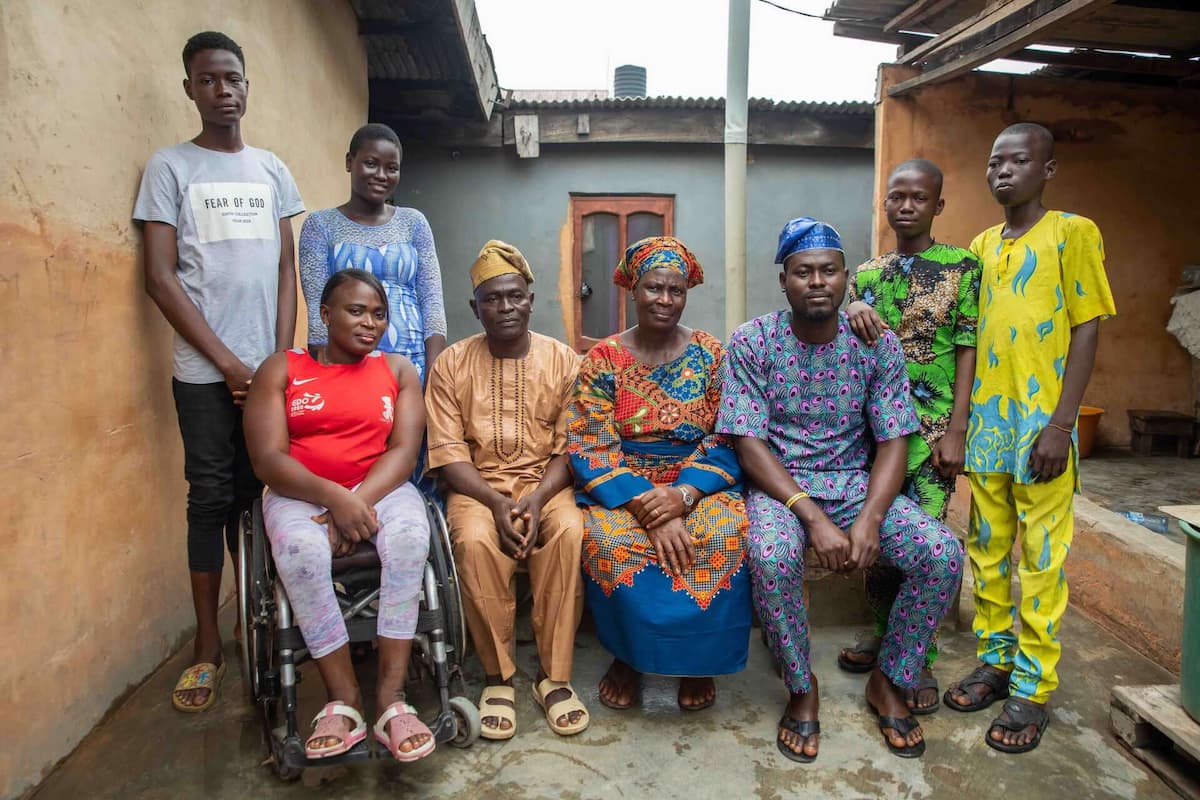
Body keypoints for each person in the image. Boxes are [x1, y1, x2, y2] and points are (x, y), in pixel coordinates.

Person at [717, 218, 963, 762]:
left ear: (847, 278)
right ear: (784, 281)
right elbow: (748, 442)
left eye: (829, 270)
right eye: (803, 272)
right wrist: (812, 518)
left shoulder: (875, 343)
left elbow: (896, 436)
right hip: (782, 490)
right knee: (771, 555)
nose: (817, 282)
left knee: (942, 553)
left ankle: (890, 679)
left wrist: (871, 518)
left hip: (855, 485)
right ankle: (802, 688)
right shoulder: (753, 341)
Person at [134, 31, 304, 713]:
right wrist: (231, 364)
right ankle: (208, 645)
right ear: (190, 89)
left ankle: (251, 619)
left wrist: (277, 360)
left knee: (262, 493)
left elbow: (288, 269)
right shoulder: (170, 168)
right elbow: (160, 278)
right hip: (204, 375)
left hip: (265, 370)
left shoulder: (270, 169)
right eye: (208, 80)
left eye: (232, 78)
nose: (223, 91)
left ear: (246, 86)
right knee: (210, 499)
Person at [943, 123, 1116, 754]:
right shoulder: (982, 244)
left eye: (1018, 161)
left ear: (1047, 170)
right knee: (987, 551)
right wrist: (959, 425)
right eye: (993, 163)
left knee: (1042, 558)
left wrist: (1062, 424)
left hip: (1042, 426)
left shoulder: (1073, 232)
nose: (1002, 172)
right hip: (988, 425)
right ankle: (994, 661)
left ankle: (1034, 686)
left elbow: (1088, 327)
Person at [244, 269, 434, 762]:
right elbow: (267, 459)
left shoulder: (396, 371)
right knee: (299, 552)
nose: (370, 323)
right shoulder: (281, 369)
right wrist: (334, 498)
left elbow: (404, 449)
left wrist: (358, 501)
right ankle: (344, 699)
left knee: (413, 537)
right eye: (356, 311)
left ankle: (391, 699)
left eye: (378, 314)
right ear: (325, 315)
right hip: (300, 490)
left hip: (380, 487)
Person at [567, 236, 750, 713]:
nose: (665, 300)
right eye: (653, 288)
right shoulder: (603, 358)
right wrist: (653, 508)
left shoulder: (712, 353)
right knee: (610, 541)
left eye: (676, 290)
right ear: (633, 291)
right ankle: (629, 658)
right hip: (626, 484)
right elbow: (590, 441)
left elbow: (728, 435)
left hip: (697, 481)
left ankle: (696, 662)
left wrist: (684, 496)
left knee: (725, 531)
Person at [424, 241, 589, 739]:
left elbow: (572, 448)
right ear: (475, 308)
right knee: (473, 542)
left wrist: (536, 500)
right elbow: (449, 454)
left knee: (568, 531)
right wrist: (496, 503)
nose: (505, 307)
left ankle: (553, 677)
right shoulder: (450, 365)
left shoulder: (564, 361)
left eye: (515, 296)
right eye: (492, 300)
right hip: (478, 488)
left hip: (548, 483)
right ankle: (498, 676)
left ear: (531, 301)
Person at [836, 159, 981, 714]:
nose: (905, 206)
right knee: (878, 544)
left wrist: (958, 430)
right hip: (876, 434)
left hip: (934, 429)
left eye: (918, 198)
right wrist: (853, 304)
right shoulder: (868, 275)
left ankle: (916, 657)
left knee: (927, 545)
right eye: (896, 197)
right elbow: (851, 336)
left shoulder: (961, 267)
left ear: (937, 206)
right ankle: (882, 634)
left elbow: (967, 345)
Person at [299, 123, 446, 380]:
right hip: (346, 367)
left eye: (392, 168)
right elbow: (317, 310)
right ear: (349, 162)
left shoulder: (414, 223)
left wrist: (434, 371)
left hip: (412, 365)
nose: (381, 175)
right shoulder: (320, 226)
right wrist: (327, 375)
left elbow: (432, 301)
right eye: (371, 163)